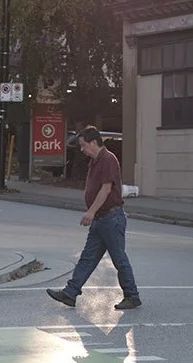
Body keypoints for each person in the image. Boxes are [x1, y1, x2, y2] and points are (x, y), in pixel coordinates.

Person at [47, 126, 141, 310]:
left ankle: (132, 295)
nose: (82, 150)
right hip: (101, 219)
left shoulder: (107, 159)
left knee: (119, 259)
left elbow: (106, 189)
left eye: (83, 146)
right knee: (87, 258)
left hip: (111, 218)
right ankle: (70, 293)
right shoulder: (97, 160)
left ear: (93, 142)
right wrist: (93, 213)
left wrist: (90, 212)